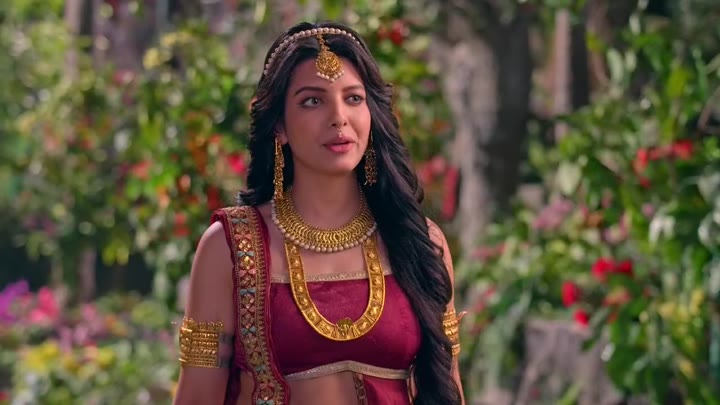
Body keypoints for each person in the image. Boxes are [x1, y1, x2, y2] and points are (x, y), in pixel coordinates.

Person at [173, 21, 465, 405]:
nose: (338, 117)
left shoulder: (420, 242)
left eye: (354, 98)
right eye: (313, 101)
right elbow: (196, 397)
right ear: (279, 126)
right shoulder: (229, 246)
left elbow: (449, 389)